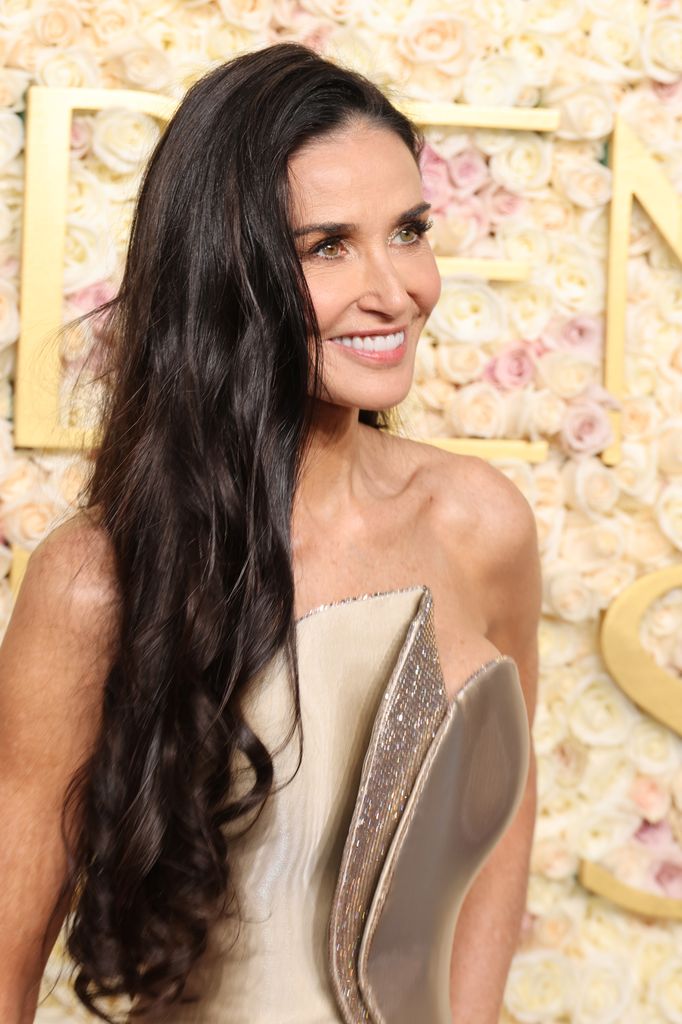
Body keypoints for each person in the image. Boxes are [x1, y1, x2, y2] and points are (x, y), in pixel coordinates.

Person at [0, 42, 541, 1024]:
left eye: (408, 229)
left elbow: (501, 830)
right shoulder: (98, 581)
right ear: (225, 268)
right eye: (327, 245)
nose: (396, 290)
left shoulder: (481, 523)